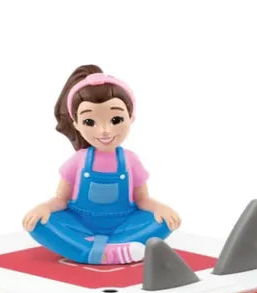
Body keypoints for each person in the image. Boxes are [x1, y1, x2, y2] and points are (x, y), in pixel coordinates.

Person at [21, 65, 182, 265]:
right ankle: (108, 251)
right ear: (76, 123)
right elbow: (61, 199)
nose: (104, 130)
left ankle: (87, 249)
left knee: (164, 222)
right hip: (79, 225)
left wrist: (160, 208)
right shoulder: (78, 161)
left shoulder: (130, 160)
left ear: (131, 117)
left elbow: (142, 199)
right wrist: (44, 208)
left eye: (116, 119)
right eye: (90, 122)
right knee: (37, 223)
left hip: (123, 225)